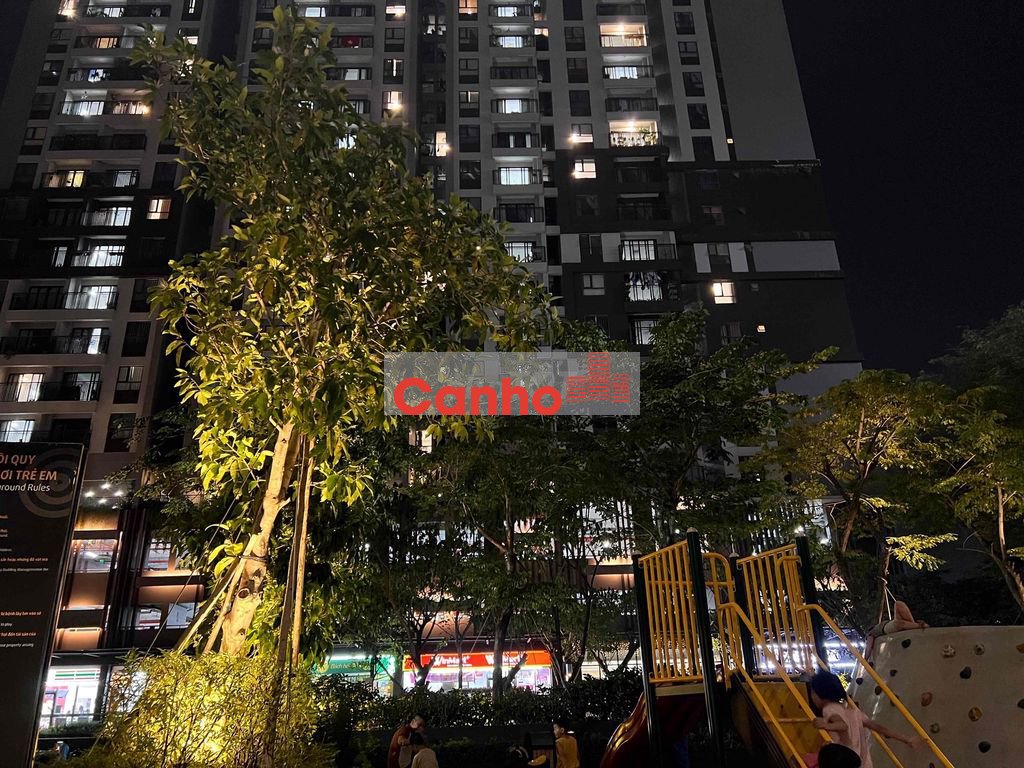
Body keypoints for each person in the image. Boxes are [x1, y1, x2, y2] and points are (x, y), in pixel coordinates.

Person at [810, 670, 916, 768]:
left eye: (813, 693)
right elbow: (880, 728)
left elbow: (843, 726)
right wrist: (906, 739)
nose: (812, 697)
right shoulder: (854, 713)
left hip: (845, 762)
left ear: (819, 693)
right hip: (865, 763)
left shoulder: (829, 709)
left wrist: (826, 725)